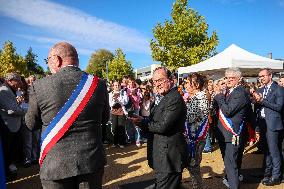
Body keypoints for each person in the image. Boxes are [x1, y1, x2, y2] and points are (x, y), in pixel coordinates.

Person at [25, 42, 110, 189]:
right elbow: (104, 119)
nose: (47, 64)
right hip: (91, 161)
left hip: (55, 164)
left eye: (48, 60)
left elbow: (31, 124)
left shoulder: (39, 86)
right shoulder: (99, 84)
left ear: (56, 60)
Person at [131, 67, 188, 189]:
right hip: (164, 157)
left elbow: (163, 127)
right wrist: (142, 120)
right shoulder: (165, 97)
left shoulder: (174, 98)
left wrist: (142, 123)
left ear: (171, 80)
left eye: (161, 80)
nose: (157, 84)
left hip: (169, 158)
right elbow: (156, 122)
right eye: (155, 81)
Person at [214, 68, 250, 189]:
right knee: (229, 162)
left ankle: (234, 185)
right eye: (226, 77)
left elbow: (228, 111)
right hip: (224, 133)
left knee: (231, 164)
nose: (228, 80)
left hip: (232, 132)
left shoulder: (240, 92)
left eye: (231, 78)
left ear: (239, 79)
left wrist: (219, 96)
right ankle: (231, 180)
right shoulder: (228, 91)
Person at [252, 68, 284, 186]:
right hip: (262, 123)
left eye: (263, 76)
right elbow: (257, 108)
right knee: (266, 151)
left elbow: (279, 107)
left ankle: (276, 176)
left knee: (274, 151)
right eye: (260, 76)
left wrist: (262, 101)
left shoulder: (279, 89)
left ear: (270, 76)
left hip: (273, 124)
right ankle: (267, 173)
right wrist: (254, 100)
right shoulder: (260, 89)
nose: (261, 78)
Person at [184, 73, 209, 189]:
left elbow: (192, 118)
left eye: (188, 83)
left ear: (196, 85)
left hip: (196, 138)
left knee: (194, 166)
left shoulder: (200, 98)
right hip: (193, 137)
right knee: (192, 166)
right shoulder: (195, 97)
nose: (186, 86)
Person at [0, 72, 26, 178]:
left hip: (13, 126)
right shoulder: (4, 91)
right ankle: (7, 173)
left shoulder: (10, 90)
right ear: (10, 81)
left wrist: (18, 104)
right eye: (18, 80)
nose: (20, 83)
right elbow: (12, 111)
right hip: (8, 127)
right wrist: (27, 110)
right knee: (8, 152)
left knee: (12, 151)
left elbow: (12, 107)